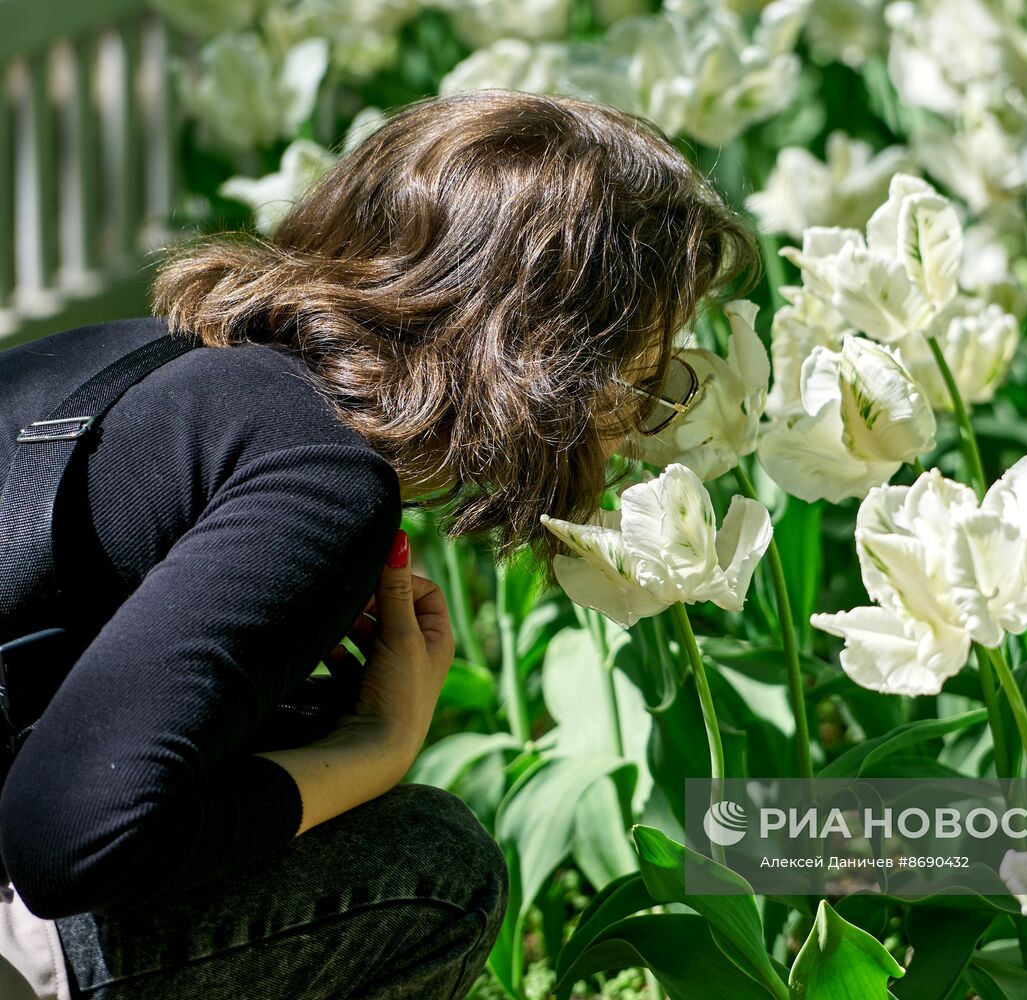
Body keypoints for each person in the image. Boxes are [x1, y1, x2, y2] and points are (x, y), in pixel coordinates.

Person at [0, 89, 759, 999]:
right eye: (647, 379)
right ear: (553, 362)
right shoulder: (322, 477)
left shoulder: (142, 359)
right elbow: (71, 843)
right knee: (429, 874)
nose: (641, 426)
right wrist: (375, 747)